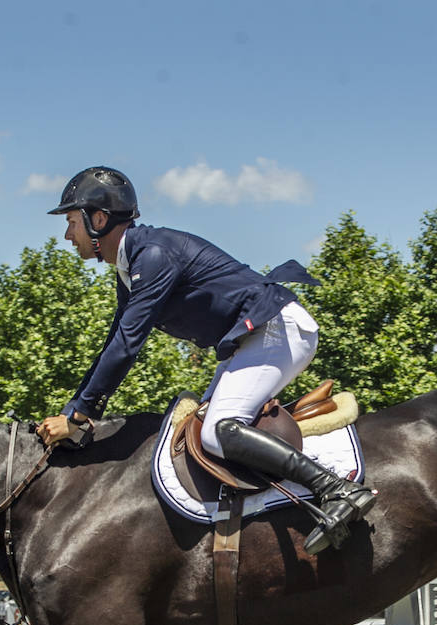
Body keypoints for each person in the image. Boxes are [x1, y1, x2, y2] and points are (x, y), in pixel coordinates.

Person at [36, 166, 376, 555]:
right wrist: (75, 412)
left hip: (277, 330)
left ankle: (337, 489)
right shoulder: (132, 266)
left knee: (217, 431)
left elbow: (128, 345)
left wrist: (79, 417)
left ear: (98, 220)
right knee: (198, 428)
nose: (67, 235)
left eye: (71, 222)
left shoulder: (154, 255)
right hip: (254, 338)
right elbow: (114, 342)